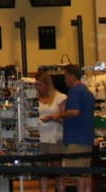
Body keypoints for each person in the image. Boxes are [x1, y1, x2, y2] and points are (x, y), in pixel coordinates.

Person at [59, 64, 96, 192]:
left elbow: (74, 112)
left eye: (66, 77)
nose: (65, 80)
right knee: (86, 171)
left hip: (76, 137)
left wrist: (59, 115)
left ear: (72, 76)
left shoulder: (74, 91)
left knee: (77, 173)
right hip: (87, 137)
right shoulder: (88, 92)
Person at [36, 72, 67, 192]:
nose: (38, 88)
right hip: (39, 138)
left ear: (47, 84)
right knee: (42, 172)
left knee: (58, 172)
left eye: (40, 85)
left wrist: (53, 118)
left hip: (55, 138)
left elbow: (65, 119)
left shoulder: (60, 97)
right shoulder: (34, 98)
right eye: (37, 85)